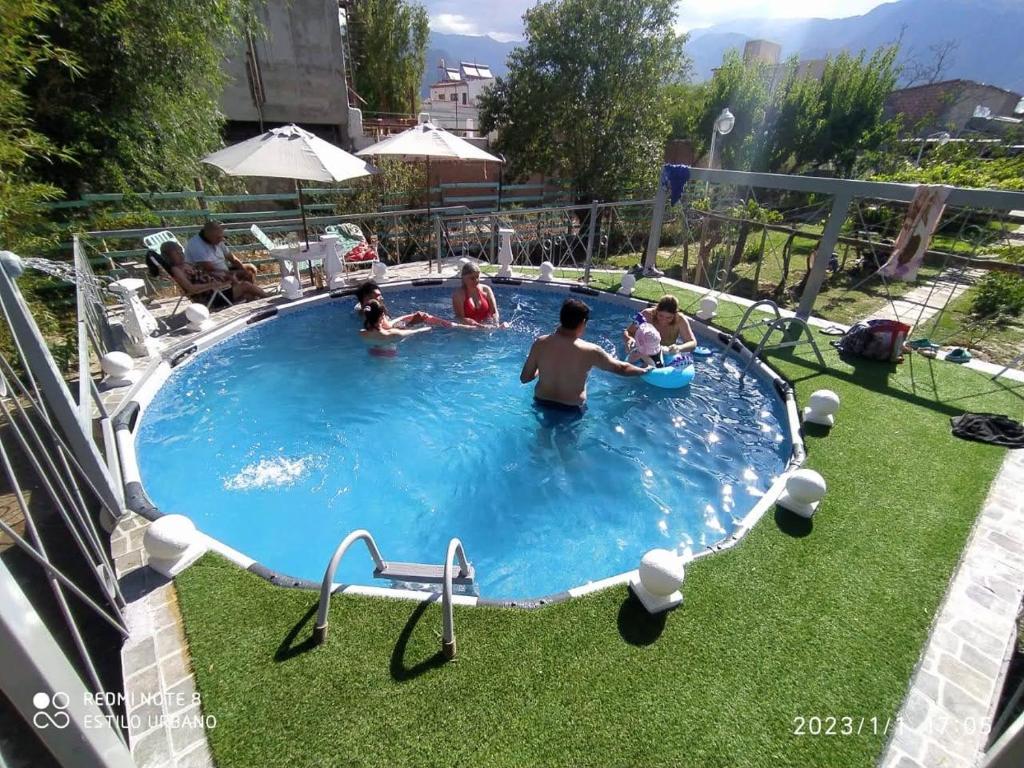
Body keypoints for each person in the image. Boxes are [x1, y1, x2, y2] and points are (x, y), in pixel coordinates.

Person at [520, 298, 650, 412]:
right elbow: (621, 368)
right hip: (571, 408)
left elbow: (525, 378)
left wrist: (541, 369)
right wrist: (645, 370)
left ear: (561, 318)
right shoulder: (590, 350)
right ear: (583, 323)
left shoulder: (540, 343)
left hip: (541, 402)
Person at [160, 241, 266, 303]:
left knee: (249, 293)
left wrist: (219, 275)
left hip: (217, 289)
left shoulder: (186, 264)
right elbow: (191, 289)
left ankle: (262, 302)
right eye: (176, 253)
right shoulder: (177, 270)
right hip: (209, 297)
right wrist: (213, 284)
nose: (180, 254)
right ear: (168, 256)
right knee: (245, 286)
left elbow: (204, 272)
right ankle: (268, 297)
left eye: (180, 251)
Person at [354, 280, 451, 329]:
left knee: (423, 317)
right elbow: (388, 333)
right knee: (424, 321)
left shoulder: (364, 309)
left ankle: (451, 325)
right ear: (366, 299)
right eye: (378, 296)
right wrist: (412, 322)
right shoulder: (371, 315)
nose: (382, 298)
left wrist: (408, 317)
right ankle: (453, 326)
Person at [623, 294, 697, 355]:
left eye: (669, 317)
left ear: (675, 315)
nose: (663, 320)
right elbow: (628, 331)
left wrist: (679, 348)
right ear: (656, 310)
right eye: (660, 316)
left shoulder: (680, 320)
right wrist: (630, 339)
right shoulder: (646, 315)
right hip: (644, 352)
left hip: (666, 353)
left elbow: (692, 342)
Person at [185, 221, 257, 283]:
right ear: (209, 236)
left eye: (222, 236)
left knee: (250, 269)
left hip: (224, 270)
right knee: (245, 274)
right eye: (218, 237)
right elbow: (209, 269)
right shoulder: (196, 245)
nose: (221, 239)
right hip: (210, 274)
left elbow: (231, 258)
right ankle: (241, 293)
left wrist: (242, 269)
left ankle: (246, 294)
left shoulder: (216, 240)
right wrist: (235, 273)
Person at [359, 299, 431, 356]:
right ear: (381, 316)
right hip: (388, 364)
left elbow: (387, 325)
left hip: (372, 357)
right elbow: (413, 331)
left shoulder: (362, 333)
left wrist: (407, 316)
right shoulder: (392, 334)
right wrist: (427, 328)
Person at [452, 262, 505, 327]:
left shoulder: (486, 290)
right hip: (469, 330)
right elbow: (460, 318)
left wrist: (496, 323)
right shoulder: (458, 295)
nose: (476, 280)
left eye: (477, 277)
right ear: (464, 278)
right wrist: (478, 325)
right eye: (472, 278)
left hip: (487, 327)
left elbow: (494, 312)